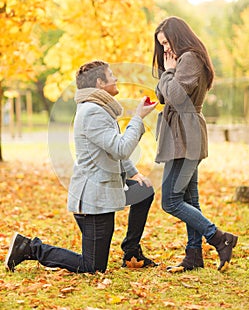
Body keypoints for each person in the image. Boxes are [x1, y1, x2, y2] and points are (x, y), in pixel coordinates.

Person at [5, 60, 158, 274]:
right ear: (99, 82)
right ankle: (30, 247)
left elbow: (111, 150)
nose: (115, 78)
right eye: (111, 75)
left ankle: (131, 252)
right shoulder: (92, 112)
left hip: (104, 191)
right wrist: (138, 118)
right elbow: (121, 148)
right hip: (93, 202)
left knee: (143, 190)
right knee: (93, 267)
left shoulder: (100, 109)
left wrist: (134, 173)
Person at [152, 16, 238, 273]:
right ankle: (194, 256)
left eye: (167, 42)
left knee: (170, 200)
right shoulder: (180, 60)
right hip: (182, 133)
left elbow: (176, 97)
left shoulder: (189, 58)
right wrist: (168, 72)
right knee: (190, 198)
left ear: (178, 36)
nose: (165, 49)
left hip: (184, 135)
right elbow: (161, 95)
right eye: (161, 45)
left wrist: (169, 72)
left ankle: (219, 237)